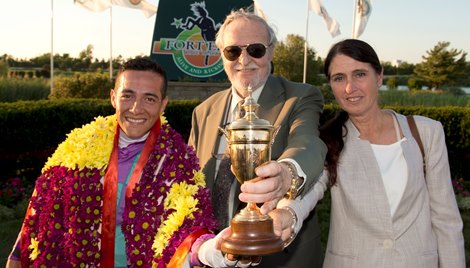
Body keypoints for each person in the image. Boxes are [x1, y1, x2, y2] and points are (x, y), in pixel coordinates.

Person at [7, 57, 220, 267]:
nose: (136, 108)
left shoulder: (177, 160)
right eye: (127, 96)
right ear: (113, 97)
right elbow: (42, 207)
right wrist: (17, 256)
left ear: (163, 104)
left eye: (149, 98)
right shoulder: (78, 146)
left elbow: (188, 224)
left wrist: (207, 250)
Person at [287, 39, 465, 267]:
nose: (350, 88)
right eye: (339, 78)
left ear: (379, 77)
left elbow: (446, 221)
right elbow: (309, 190)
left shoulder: (427, 132)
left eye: (360, 74)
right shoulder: (328, 141)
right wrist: (288, 215)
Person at [188, 9, 327, 267]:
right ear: (221, 56)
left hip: (281, 259)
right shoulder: (203, 112)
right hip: (213, 255)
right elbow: (190, 183)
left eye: (256, 49)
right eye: (233, 51)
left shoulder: (300, 97)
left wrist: (287, 174)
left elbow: (307, 143)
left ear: (271, 51)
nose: (244, 59)